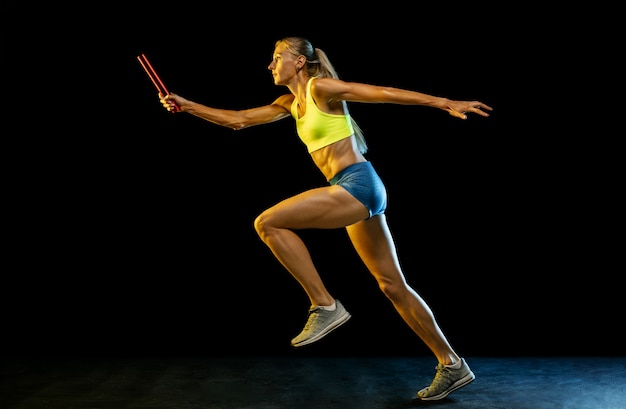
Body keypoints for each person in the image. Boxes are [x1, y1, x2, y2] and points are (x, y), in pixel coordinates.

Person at [158, 36, 492, 401]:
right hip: (351, 187)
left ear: (299, 62)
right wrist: (187, 106)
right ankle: (452, 363)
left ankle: (325, 305)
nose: (270, 66)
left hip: (358, 184)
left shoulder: (320, 88)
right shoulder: (290, 102)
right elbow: (238, 121)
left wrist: (443, 101)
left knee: (268, 223)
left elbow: (379, 92)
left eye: (276, 58)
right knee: (392, 285)